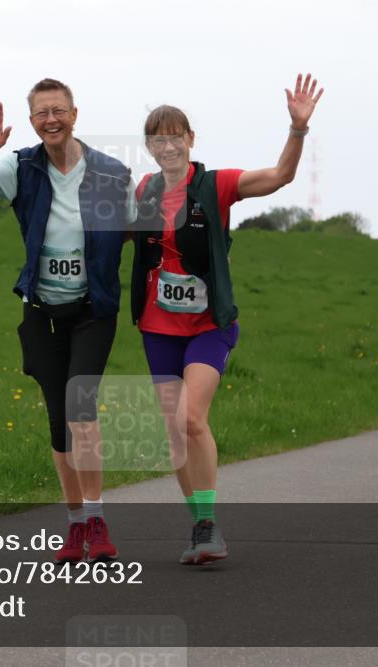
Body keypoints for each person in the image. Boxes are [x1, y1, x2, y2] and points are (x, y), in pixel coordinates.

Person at [131, 73, 324, 564]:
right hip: (158, 327)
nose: (168, 144)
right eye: (158, 137)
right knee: (174, 433)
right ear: (150, 146)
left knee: (191, 418)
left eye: (176, 135)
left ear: (191, 140)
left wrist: (297, 130)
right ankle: (199, 527)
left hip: (208, 325)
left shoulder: (217, 185)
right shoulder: (145, 190)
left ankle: (210, 521)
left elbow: (280, 176)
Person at [0, 78, 136, 563]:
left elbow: (137, 228)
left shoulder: (111, 173)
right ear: (32, 122)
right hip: (41, 310)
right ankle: (75, 525)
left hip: (92, 311)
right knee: (59, 423)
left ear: (75, 113)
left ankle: (96, 519)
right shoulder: (21, 165)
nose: (50, 120)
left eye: (58, 110)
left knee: (82, 414)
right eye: (40, 114)